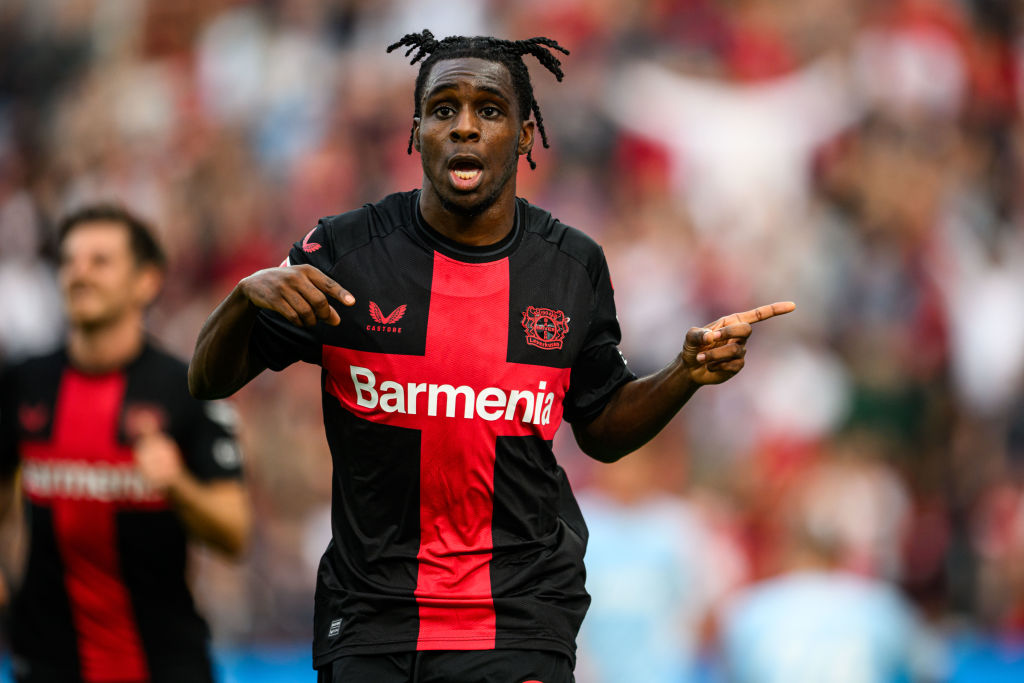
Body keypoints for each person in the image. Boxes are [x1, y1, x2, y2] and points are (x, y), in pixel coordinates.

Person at [188, 30, 794, 683]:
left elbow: (601, 428)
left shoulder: (570, 266)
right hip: (372, 618)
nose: (466, 127)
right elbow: (208, 377)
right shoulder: (347, 252)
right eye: (444, 109)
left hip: (517, 616)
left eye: (491, 110)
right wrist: (245, 299)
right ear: (416, 131)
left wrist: (684, 375)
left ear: (527, 134)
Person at [0, 204, 250, 683]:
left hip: (165, 662)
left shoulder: (190, 389)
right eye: (70, 261)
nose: (80, 274)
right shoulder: (23, 383)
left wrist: (176, 484)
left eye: (100, 261)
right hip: (46, 662)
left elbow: (234, 533)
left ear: (146, 282)